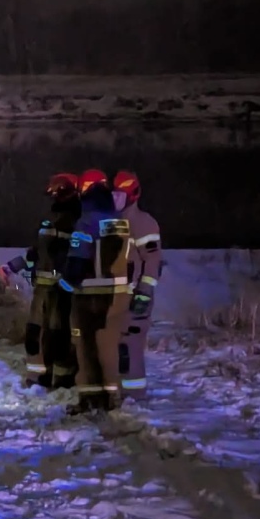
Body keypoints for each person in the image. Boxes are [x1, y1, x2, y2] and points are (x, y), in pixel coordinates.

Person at [60, 168, 133, 415]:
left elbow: (77, 260)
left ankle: (89, 399)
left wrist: (65, 286)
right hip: (117, 296)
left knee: (84, 347)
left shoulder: (86, 220)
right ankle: (112, 398)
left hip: (89, 297)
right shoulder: (121, 221)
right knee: (109, 347)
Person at [0, 172, 82, 388]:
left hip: (62, 292)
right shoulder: (49, 220)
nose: (54, 197)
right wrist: (11, 267)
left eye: (57, 193)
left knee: (60, 338)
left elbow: (79, 257)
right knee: (35, 336)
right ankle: (39, 380)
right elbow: (36, 253)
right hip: (43, 291)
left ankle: (63, 383)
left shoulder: (77, 221)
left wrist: (67, 283)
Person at [114, 170, 162, 397]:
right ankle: (122, 394)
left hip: (136, 297)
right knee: (117, 348)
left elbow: (152, 260)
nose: (115, 200)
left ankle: (134, 397)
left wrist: (144, 292)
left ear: (131, 196)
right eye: (113, 195)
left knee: (130, 349)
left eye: (120, 195)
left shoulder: (143, 223)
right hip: (120, 298)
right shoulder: (114, 223)